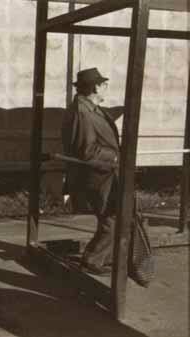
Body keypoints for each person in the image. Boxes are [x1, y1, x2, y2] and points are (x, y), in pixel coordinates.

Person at [61, 67, 124, 276]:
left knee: (112, 220)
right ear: (96, 86)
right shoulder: (83, 112)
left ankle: (98, 258)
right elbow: (88, 151)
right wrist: (114, 157)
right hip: (97, 176)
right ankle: (92, 260)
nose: (106, 87)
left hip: (102, 174)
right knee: (112, 221)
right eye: (104, 84)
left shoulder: (90, 107)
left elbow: (101, 129)